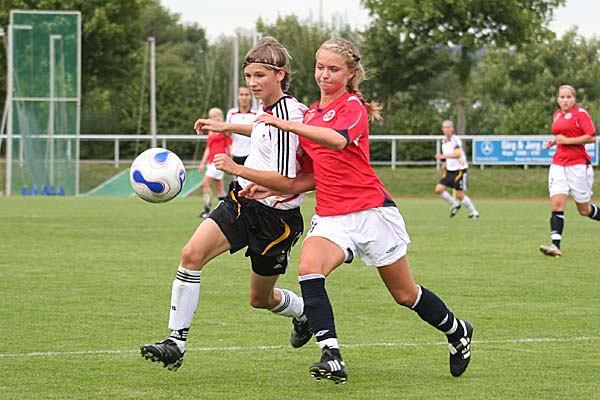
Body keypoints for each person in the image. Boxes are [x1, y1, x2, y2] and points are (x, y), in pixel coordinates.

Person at [244, 38, 473, 384]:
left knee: (405, 294)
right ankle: (331, 355)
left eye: (333, 69)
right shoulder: (311, 114)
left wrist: (288, 125)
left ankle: (457, 331)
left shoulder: (352, 107)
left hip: (371, 212)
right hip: (331, 215)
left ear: (350, 74)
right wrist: (274, 187)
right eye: (320, 67)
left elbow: (337, 140)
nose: (324, 75)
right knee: (309, 269)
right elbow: (310, 176)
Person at [140, 36, 311, 371]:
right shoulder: (268, 108)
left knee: (260, 299)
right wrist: (225, 126)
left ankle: (303, 312)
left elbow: (285, 179)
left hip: (276, 221)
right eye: (248, 76)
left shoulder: (290, 116)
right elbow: (260, 132)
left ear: (280, 74)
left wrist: (236, 168)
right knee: (191, 254)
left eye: (260, 75)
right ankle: (176, 342)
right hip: (241, 202)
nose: (253, 83)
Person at [540, 84, 600, 257]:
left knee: (584, 210)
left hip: (578, 166)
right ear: (557, 99)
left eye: (568, 97)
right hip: (559, 164)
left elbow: (591, 137)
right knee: (557, 204)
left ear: (574, 99)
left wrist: (567, 142)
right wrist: (554, 142)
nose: (565, 100)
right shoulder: (557, 115)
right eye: (562, 97)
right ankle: (555, 245)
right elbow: (562, 135)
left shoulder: (580, 114)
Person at [434, 120, 479, 218]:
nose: (446, 129)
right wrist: (446, 163)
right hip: (449, 170)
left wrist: (442, 156)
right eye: (444, 127)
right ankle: (454, 204)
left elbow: (457, 154)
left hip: (459, 170)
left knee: (459, 194)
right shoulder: (444, 141)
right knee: (439, 189)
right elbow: (450, 155)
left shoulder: (455, 140)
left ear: (452, 129)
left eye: (448, 127)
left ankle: (474, 212)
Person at [198, 107, 231, 218]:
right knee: (219, 188)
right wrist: (202, 163)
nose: (213, 118)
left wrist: (231, 160)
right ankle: (226, 211)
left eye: (216, 116)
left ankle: (207, 210)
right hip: (211, 161)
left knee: (205, 183)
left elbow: (229, 145)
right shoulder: (210, 131)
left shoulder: (224, 129)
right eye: (211, 117)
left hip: (219, 160)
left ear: (221, 117)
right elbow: (208, 148)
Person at [226, 85, 256, 169]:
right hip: (236, 154)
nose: (244, 98)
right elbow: (227, 134)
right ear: (237, 97)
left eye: (247, 95)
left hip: (251, 155)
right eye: (241, 95)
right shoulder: (231, 113)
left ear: (251, 97)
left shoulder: (256, 114)